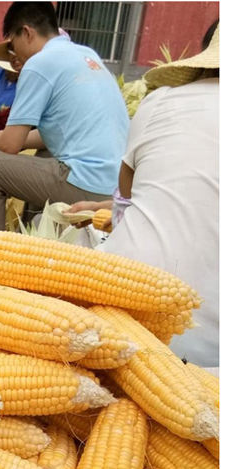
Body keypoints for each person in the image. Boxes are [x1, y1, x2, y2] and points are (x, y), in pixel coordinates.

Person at [66, 21, 220, 366]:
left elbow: (130, 195)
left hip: (121, 318)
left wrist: (106, 206)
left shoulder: (162, 101)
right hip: (210, 353)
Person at [0, 2, 130, 254]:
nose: (15, 55)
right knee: (43, 154)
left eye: (13, 45)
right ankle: (33, 242)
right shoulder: (87, 55)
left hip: (88, 182)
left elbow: (10, 144)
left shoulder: (39, 63)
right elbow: (50, 135)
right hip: (116, 188)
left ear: (26, 32)